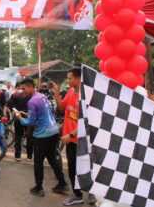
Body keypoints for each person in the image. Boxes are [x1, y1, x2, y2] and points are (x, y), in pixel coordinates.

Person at [14, 77, 67, 197]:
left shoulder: (32, 101)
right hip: (54, 131)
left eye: (24, 88)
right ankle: (62, 183)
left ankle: (39, 188)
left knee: (38, 162)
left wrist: (19, 117)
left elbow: (30, 123)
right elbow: (44, 114)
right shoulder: (42, 96)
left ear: (31, 87)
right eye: (21, 88)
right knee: (52, 159)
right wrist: (27, 114)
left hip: (42, 135)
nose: (23, 91)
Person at [52, 68, 96, 206]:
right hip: (70, 140)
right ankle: (78, 195)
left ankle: (91, 192)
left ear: (78, 79)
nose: (68, 80)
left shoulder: (86, 96)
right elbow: (61, 108)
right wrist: (57, 94)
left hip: (82, 140)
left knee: (87, 167)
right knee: (72, 168)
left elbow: (87, 122)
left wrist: (71, 134)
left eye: (70, 78)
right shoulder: (70, 92)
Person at [6, 82, 33, 161]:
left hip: (18, 117)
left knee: (18, 137)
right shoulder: (30, 95)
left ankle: (17, 156)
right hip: (28, 118)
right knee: (29, 137)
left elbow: (9, 104)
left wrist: (15, 111)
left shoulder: (15, 94)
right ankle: (29, 156)